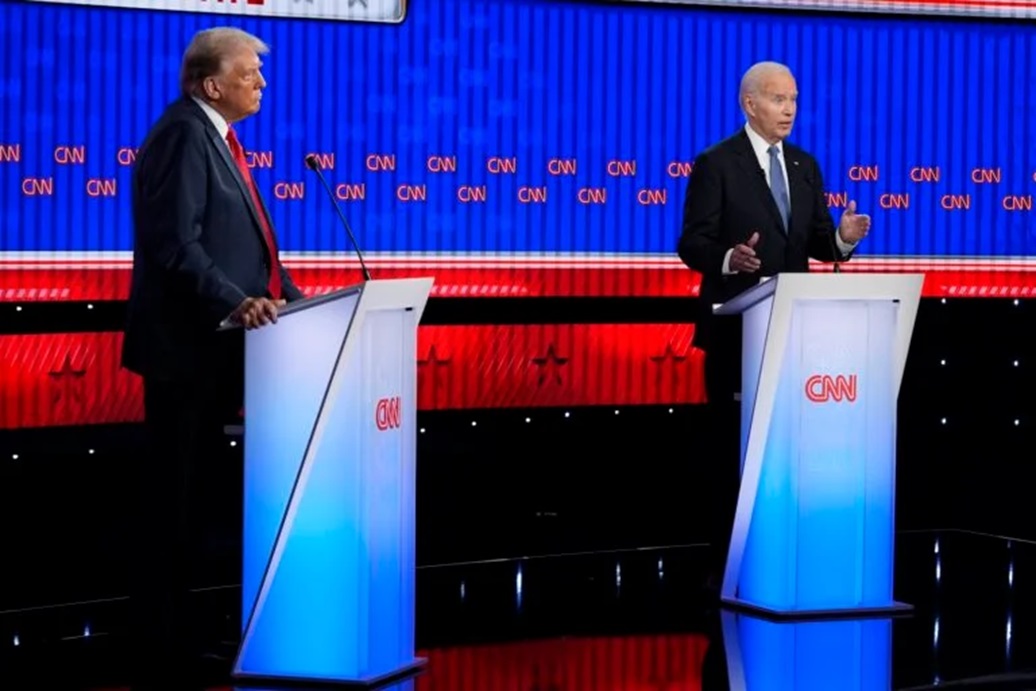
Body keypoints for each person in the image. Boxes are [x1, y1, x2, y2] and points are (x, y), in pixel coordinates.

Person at [121, 27, 304, 689]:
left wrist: (292, 296)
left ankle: (190, 632)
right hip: (185, 352)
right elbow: (175, 244)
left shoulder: (217, 138)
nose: (260, 82)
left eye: (259, 71)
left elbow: (236, 243)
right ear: (209, 84)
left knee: (199, 501)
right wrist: (238, 300)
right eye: (249, 71)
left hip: (217, 350)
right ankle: (160, 643)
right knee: (174, 500)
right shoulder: (181, 135)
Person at [676, 61, 871, 587]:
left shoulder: (805, 166)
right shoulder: (716, 164)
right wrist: (728, 258)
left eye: (794, 99)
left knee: (787, 451)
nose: (789, 109)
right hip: (737, 333)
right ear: (750, 104)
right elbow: (691, 242)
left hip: (796, 339)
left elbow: (815, 244)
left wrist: (844, 240)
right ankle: (730, 568)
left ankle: (783, 557)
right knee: (731, 455)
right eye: (778, 99)